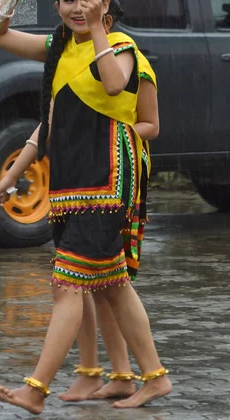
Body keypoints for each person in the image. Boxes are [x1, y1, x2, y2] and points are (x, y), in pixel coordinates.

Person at [0, 0, 171, 414]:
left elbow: (112, 86)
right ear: (56, 5)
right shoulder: (59, 46)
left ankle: (36, 388)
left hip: (107, 180)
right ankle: (154, 377)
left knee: (67, 286)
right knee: (113, 285)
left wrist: (99, 28)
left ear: (106, 3)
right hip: (70, 184)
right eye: (68, 0)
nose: (76, 8)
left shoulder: (121, 46)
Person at [58, 56, 160, 403]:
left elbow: (149, 123)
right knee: (106, 284)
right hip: (81, 178)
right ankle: (121, 374)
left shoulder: (125, 51)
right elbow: (50, 122)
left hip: (115, 177)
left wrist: (109, 133)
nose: (79, 9)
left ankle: (143, 375)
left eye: (87, 0)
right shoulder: (68, 52)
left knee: (92, 282)